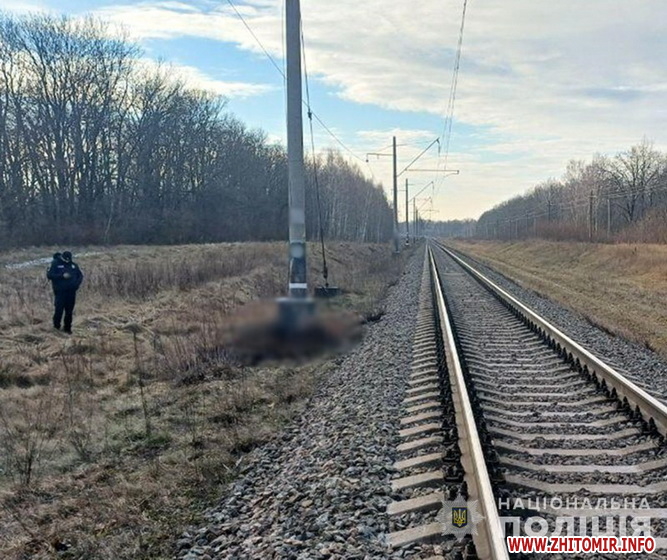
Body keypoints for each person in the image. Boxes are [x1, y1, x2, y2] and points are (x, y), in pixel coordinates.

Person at [46, 251, 84, 334]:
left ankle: (67, 328)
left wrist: (76, 285)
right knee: (59, 309)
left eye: (68, 260)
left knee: (69, 311)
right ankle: (56, 327)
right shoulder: (55, 263)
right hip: (60, 291)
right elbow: (49, 275)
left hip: (71, 291)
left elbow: (80, 276)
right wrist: (61, 276)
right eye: (66, 259)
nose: (67, 261)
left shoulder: (73, 265)